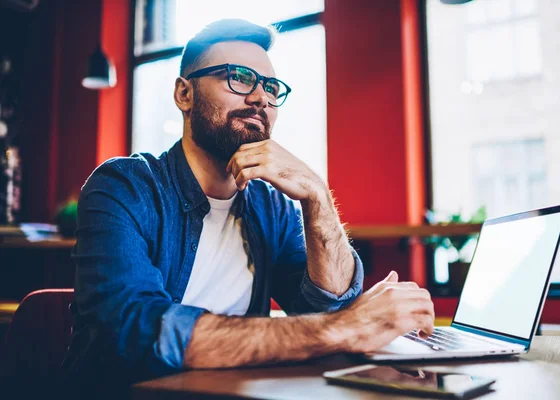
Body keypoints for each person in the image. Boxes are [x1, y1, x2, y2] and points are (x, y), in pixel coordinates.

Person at [62, 18, 435, 396]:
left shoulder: (270, 205)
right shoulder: (124, 187)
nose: (260, 98)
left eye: (270, 87)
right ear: (184, 94)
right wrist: (344, 327)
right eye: (238, 77)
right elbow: (137, 333)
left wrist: (317, 196)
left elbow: (324, 308)